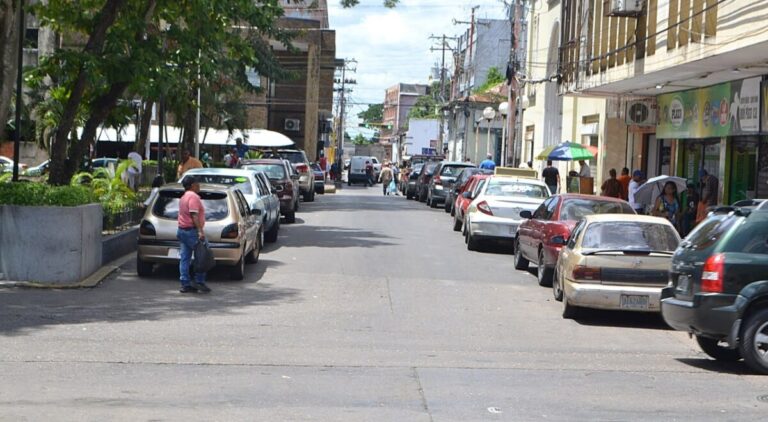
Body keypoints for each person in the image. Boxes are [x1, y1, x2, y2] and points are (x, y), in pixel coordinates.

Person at [176, 176, 211, 294]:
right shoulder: (193, 197)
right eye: (197, 183)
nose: (199, 185)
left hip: (182, 230)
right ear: (192, 185)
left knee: (185, 258)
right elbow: (194, 215)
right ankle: (199, 281)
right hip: (192, 231)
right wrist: (200, 231)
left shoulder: (184, 197)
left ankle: (185, 284)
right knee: (202, 255)